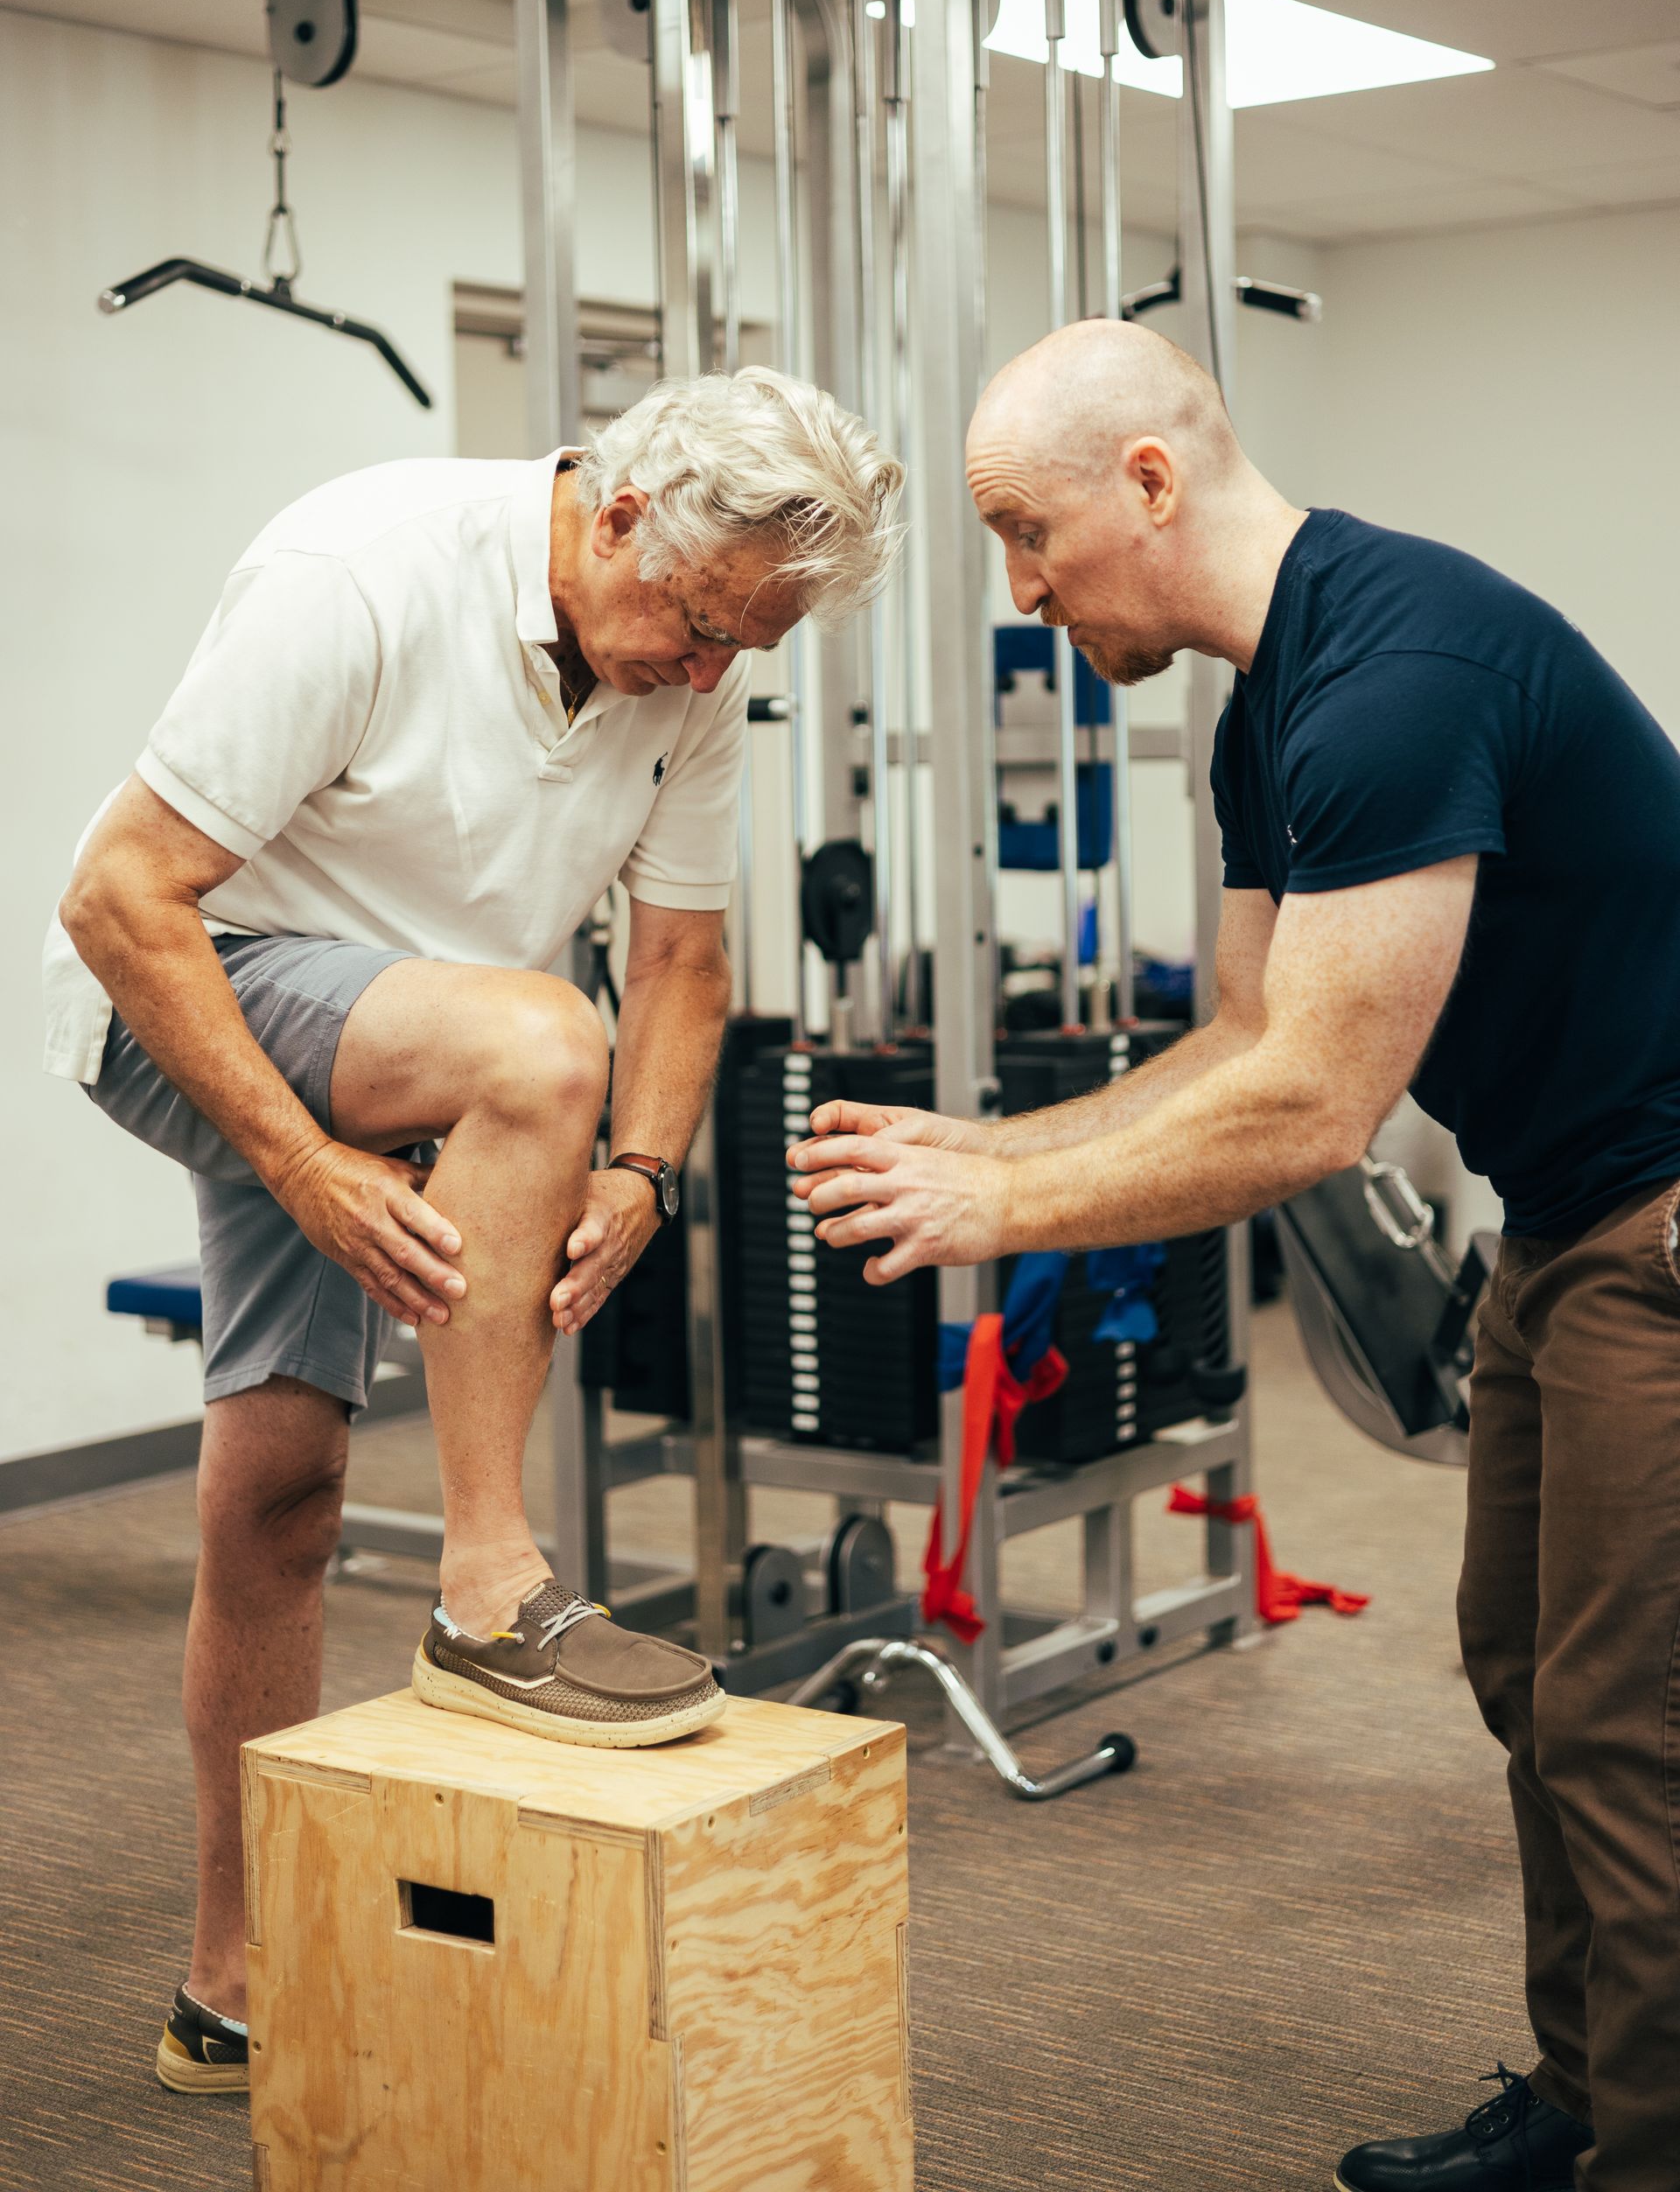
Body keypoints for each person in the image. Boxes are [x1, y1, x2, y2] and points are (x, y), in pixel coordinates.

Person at [788, 319, 1680, 2192]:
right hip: (1568, 1203)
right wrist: (994, 1148)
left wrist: (1004, 1211)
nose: (1022, 592)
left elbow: (1317, 1114)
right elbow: (1240, 1040)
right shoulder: (1273, 705)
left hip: (1664, 1224)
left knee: (1630, 1718)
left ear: (1151, 481)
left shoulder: (1395, 679)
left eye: (1028, 537)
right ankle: (1592, 2097)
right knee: (1529, 1672)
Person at [47, 365, 900, 2096]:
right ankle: (492, 1589)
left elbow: (683, 961)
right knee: (536, 1034)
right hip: (185, 1006)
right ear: (621, 515)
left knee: (276, 1486)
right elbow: (118, 898)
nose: (709, 673)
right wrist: (303, 1166)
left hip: (383, 1053)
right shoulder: (362, 574)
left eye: (749, 647)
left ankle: (232, 1987)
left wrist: (644, 1173)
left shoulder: (691, 662)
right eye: (699, 627)